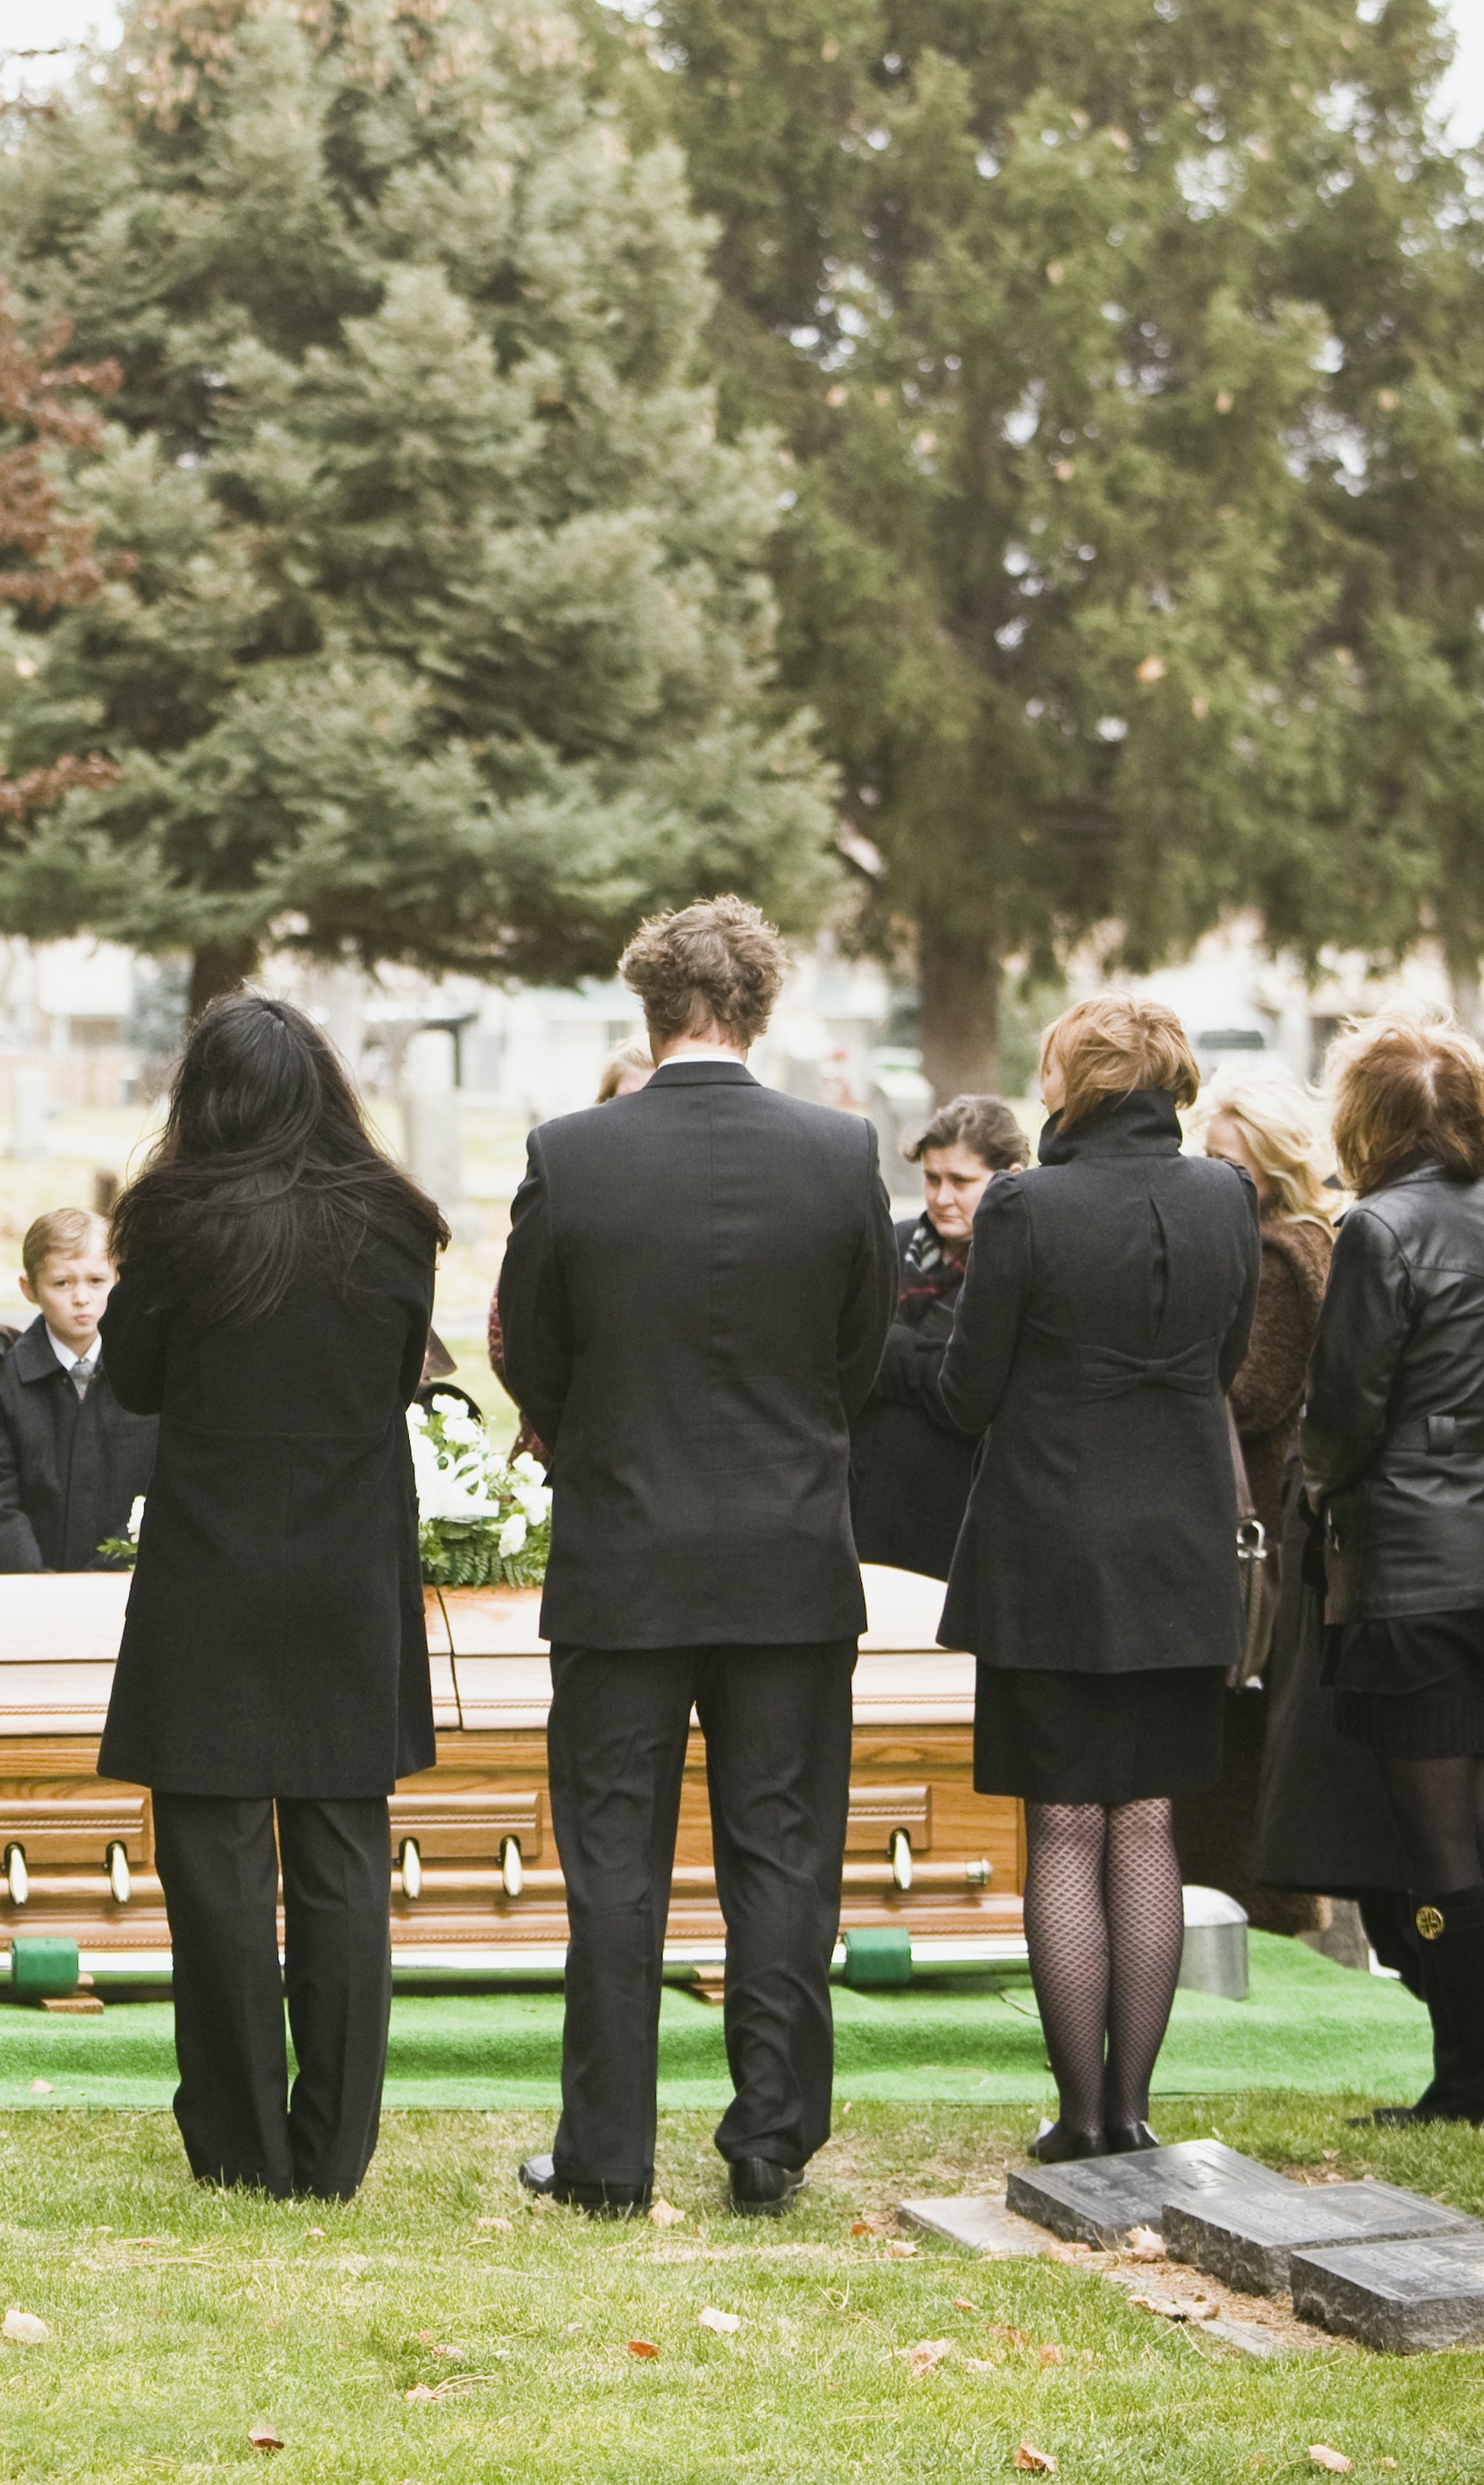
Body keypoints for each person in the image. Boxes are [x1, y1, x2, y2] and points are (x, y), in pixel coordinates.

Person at [494, 900, 892, 2219]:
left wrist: (590, 1430)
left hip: (626, 1548)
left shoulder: (575, 1153)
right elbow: (858, 1355)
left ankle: (605, 2155)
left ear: (647, 1010)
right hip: (785, 1548)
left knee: (615, 1863)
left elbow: (531, 1347)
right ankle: (770, 2137)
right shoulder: (840, 1155)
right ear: (759, 1009)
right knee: (781, 1855)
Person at [98, 995, 445, 2201]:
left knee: (220, 1870)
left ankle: (242, 2145)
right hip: (347, 1561)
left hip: (213, 1563)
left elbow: (133, 1380)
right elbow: (403, 1375)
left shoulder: (180, 1216)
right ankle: (334, 2149)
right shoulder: (396, 1219)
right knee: (345, 1860)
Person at [925, 995, 1257, 2163]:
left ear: (1082, 1079)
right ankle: (1135, 2107)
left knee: (1066, 1826)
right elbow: (1223, 1362)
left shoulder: (1028, 1204)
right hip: (1178, 1546)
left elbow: (968, 1394)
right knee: (1150, 1820)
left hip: (1052, 1550)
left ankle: (1081, 2114)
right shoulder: (1228, 1194)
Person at [1293, 1016, 1484, 2130]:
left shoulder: (1379, 1229)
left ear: (1368, 1118)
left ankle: (1467, 2085)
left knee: (1437, 1837)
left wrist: (1319, 1484)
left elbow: (1346, 1409)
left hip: (1412, 1555)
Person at [1189, 1069, 1373, 1943]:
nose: (1220, 1176)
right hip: (1283, 1512)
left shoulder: (1274, 1255)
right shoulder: (1317, 1242)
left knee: (1240, 1722)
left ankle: (1258, 1901)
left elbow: (1250, 1391)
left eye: (1235, 1161)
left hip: (1252, 1512)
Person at [855, 1095, 1023, 1580]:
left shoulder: (1018, 1261)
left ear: (1009, 1176)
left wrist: (893, 1347)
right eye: (932, 1179)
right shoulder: (894, 1242)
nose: (942, 1197)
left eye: (962, 1182)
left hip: (959, 1510)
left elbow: (973, 1392)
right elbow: (850, 1355)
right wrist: (931, 1362)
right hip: (869, 1498)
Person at [0, 1208, 154, 1573]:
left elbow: (162, 1484)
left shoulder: (147, 1375)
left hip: (124, 1591)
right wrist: (35, 1581)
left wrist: (112, 1568)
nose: (81, 1298)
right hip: (27, 1595)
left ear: (118, 1280)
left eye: (96, 1280)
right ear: (29, 1289)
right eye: (62, 1283)